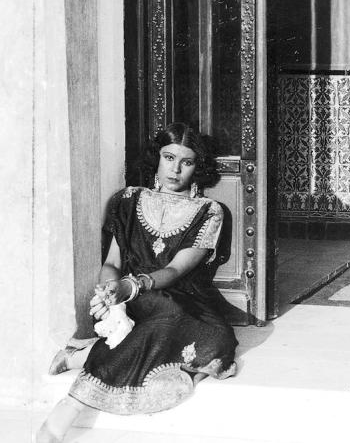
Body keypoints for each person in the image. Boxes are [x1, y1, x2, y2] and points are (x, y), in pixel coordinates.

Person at [38, 122, 238, 442]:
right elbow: (112, 264)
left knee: (217, 339)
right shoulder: (128, 200)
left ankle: (79, 357)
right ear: (156, 159)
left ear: (197, 168)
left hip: (179, 296)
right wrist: (109, 295)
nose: (175, 169)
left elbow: (175, 271)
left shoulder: (209, 211)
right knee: (166, 322)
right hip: (131, 300)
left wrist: (131, 286)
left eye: (186, 162)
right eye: (168, 158)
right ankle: (68, 410)